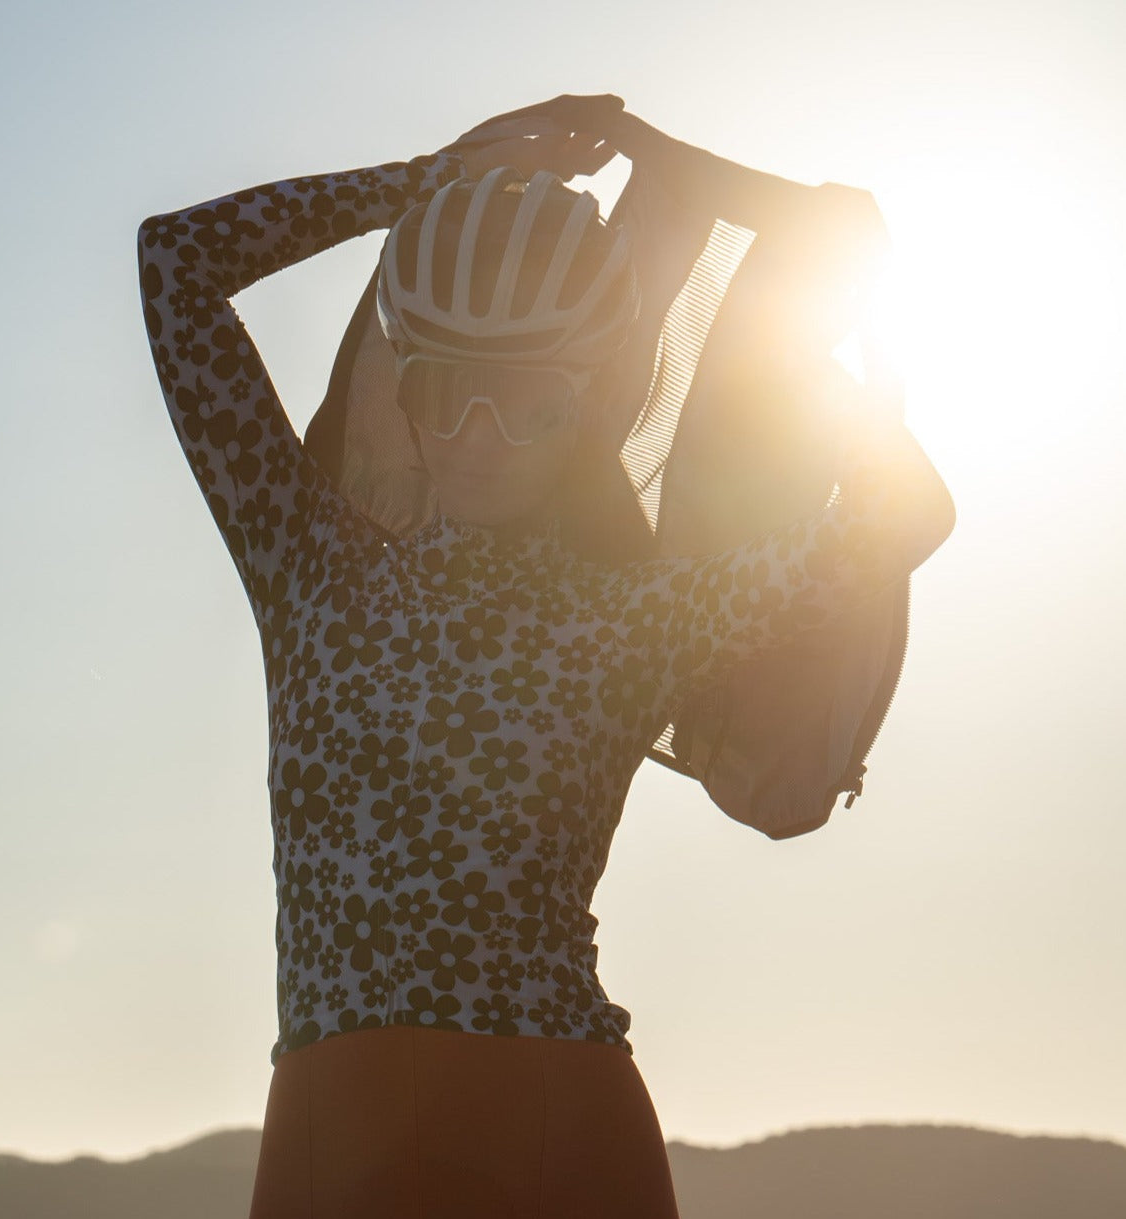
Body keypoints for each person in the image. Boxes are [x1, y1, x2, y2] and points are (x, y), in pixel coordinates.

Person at [137, 94, 953, 1219]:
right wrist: (427, 178)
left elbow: (904, 509)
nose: (478, 432)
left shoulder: (638, 610)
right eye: (443, 390)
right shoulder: (310, 562)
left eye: (526, 403)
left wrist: (703, 188)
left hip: (544, 1123)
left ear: (586, 405)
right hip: (380, 1120)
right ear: (404, 388)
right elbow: (173, 261)